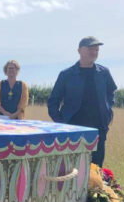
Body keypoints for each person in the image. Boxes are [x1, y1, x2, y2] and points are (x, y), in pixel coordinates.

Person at [47, 36, 117, 167]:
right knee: (71, 166)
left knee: (96, 168)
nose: (94, 52)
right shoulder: (66, 74)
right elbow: (53, 101)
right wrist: (61, 123)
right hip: (72, 129)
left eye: (96, 50)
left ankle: (93, 189)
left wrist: (107, 111)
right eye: (90, 49)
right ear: (79, 50)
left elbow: (111, 93)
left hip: (98, 128)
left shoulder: (104, 73)